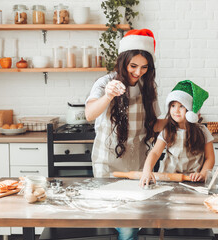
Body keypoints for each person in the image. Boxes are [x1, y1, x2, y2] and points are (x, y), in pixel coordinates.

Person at [85, 29, 165, 240]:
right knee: (123, 220)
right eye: (133, 66)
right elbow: (89, 114)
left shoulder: (148, 87)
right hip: (107, 163)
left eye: (144, 67)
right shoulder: (105, 83)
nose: (139, 72)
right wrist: (108, 95)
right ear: (123, 62)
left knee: (131, 222)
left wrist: (176, 119)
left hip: (137, 164)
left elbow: (154, 125)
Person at [139, 80, 215, 187]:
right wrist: (147, 171)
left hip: (193, 180)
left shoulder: (202, 131)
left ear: (191, 111)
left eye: (181, 106)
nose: (176, 111)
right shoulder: (167, 131)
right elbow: (155, 153)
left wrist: (202, 174)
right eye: (173, 106)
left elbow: (210, 157)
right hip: (169, 179)